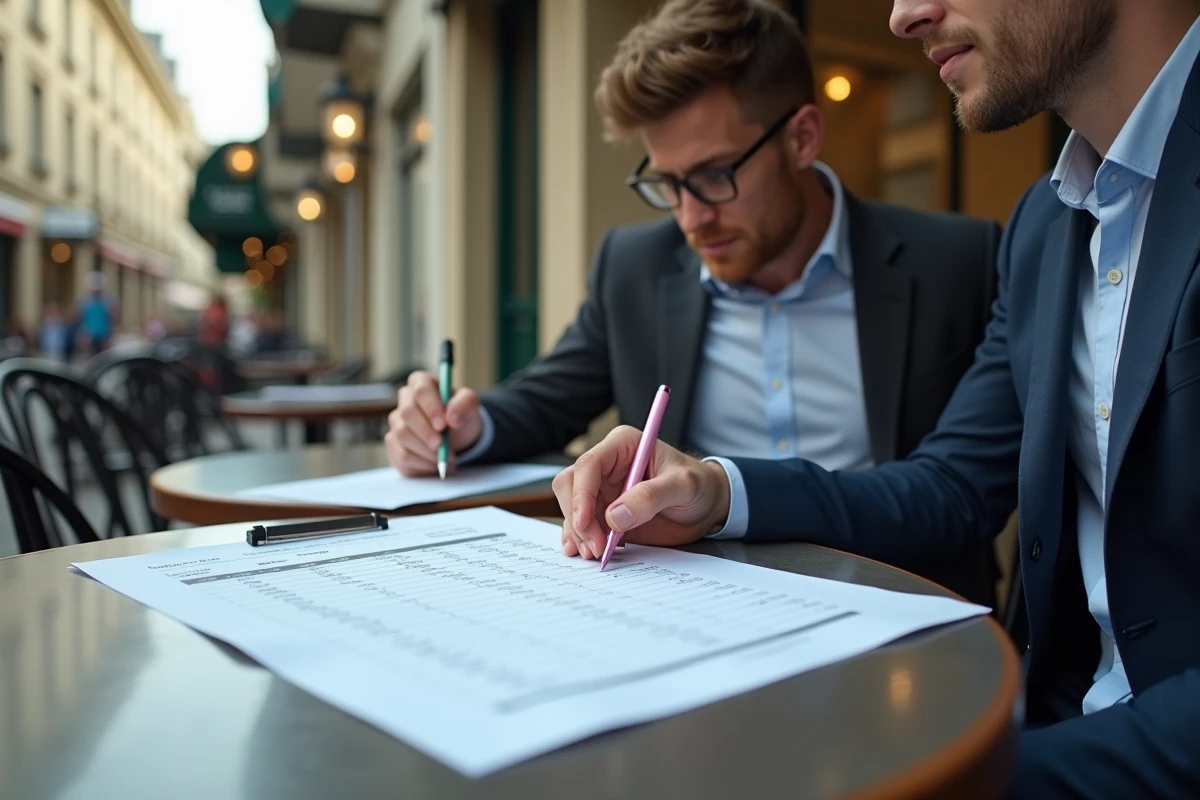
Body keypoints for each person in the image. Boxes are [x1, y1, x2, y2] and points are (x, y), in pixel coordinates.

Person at [555, 0, 1200, 795]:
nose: (901, 15)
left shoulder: (974, 248)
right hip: (1036, 716)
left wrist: (976, 775)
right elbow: (955, 485)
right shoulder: (1044, 223)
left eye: (716, 175)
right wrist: (717, 491)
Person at [386, 0, 1004, 606]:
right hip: (696, 612)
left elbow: (959, 491)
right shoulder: (635, 268)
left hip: (905, 618)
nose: (691, 218)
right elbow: (546, 401)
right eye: (667, 184)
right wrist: (462, 427)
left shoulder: (958, 262)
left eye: (714, 176)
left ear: (802, 138)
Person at [77, 273, 117, 356]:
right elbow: (82, 319)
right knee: (91, 356)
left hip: (104, 335)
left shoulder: (108, 300)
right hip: (90, 335)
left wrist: (111, 335)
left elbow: (113, 318)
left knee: (103, 357)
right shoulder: (84, 301)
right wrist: (83, 334)